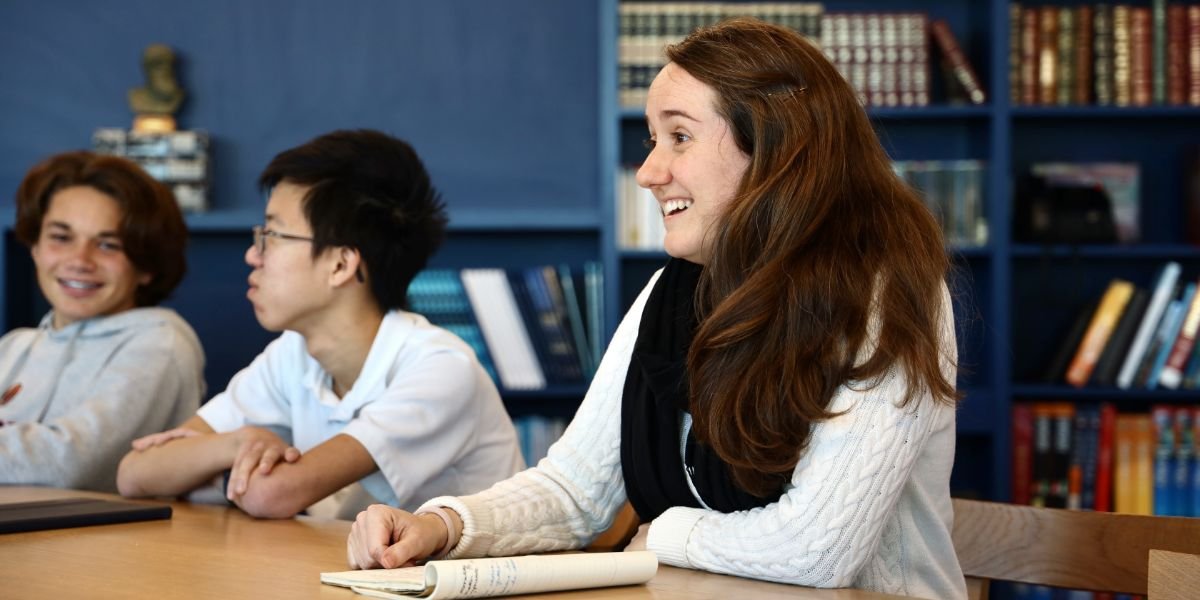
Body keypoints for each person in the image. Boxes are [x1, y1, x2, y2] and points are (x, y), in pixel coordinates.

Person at [345, 18, 965, 600]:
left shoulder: (890, 296)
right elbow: (575, 492)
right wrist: (444, 526)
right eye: (653, 140)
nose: (647, 172)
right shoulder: (674, 292)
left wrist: (663, 534)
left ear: (776, 150)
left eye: (681, 137)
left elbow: (818, 549)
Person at [116, 129, 525, 520]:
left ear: (341, 264)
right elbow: (137, 473)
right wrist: (243, 441)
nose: (252, 256)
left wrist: (216, 464)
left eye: (272, 235)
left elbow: (271, 494)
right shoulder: (293, 355)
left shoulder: (441, 368)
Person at [0, 150, 204, 492]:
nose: (80, 260)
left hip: (106, 546)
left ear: (146, 266)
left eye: (108, 244)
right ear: (34, 246)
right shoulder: (14, 346)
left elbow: (68, 465)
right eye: (61, 237)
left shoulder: (160, 342)